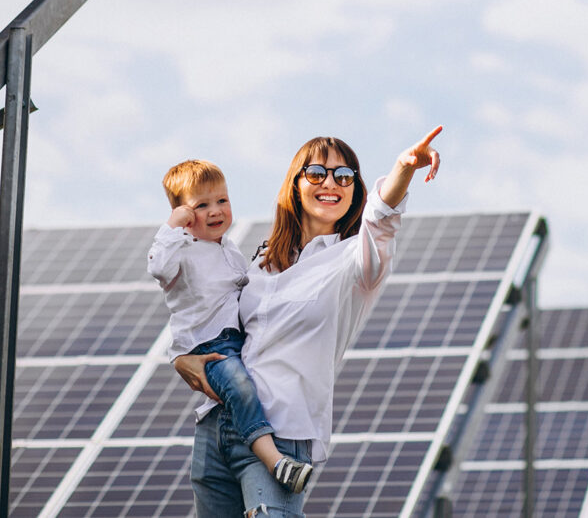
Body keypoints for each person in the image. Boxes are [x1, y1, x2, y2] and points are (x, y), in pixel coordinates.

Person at [174, 126, 443, 517]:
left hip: (283, 432)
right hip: (218, 424)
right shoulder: (261, 260)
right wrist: (183, 359)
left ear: (355, 190)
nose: (331, 183)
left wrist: (404, 168)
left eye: (344, 176)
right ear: (296, 185)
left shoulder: (356, 262)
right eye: (317, 173)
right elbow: (214, 321)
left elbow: (382, 220)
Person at [147, 159, 314, 494]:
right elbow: (159, 269)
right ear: (184, 214)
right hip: (207, 346)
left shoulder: (229, 249)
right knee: (240, 387)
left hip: (234, 341)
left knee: (248, 384)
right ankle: (275, 462)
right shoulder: (181, 250)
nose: (215, 211)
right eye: (202, 205)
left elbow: (246, 288)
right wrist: (172, 227)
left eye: (222, 201)